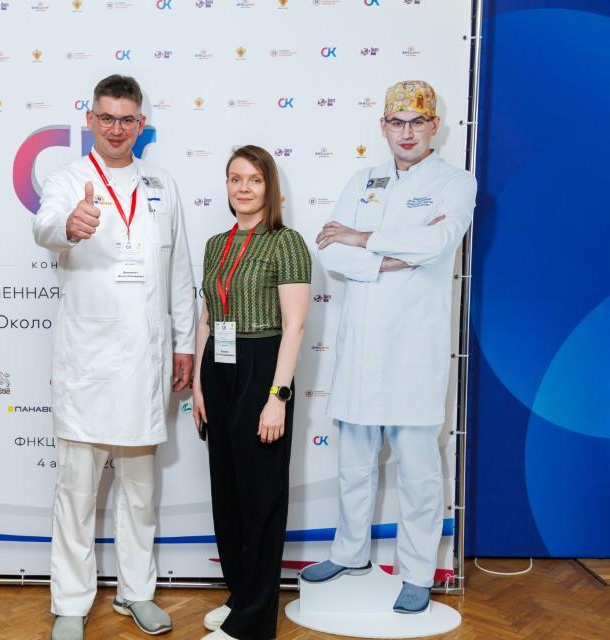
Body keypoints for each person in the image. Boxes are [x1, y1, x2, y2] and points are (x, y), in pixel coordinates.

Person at [300, 80, 477, 614]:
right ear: (383, 125)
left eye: (417, 122)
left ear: (434, 126)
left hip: (414, 351)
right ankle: (349, 553)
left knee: (419, 470)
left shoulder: (456, 182)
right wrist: (396, 258)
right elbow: (331, 253)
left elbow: (437, 243)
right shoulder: (364, 180)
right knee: (354, 464)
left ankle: (417, 571)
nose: (407, 132)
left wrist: (363, 239)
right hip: (360, 347)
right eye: (397, 122)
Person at [32, 75, 196, 640]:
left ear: (141, 123)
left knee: (140, 492)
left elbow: (179, 270)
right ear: (91, 120)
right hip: (87, 361)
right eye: (107, 118)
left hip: (145, 360)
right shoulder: (67, 179)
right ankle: (70, 603)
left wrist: (184, 343)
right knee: (76, 492)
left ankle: (136, 593)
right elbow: (45, 226)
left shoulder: (161, 184)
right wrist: (68, 226)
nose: (117, 129)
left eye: (127, 119)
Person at [192, 146, 311, 640]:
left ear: (269, 187)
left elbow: (295, 326)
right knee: (228, 491)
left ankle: (254, 623)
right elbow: (206, 316)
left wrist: (277, 396)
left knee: (261, 495)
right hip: (218, 370)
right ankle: (241, 596)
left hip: (263, 367)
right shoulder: (216, 244)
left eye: (255, 179)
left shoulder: (286, 242)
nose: (244, 188)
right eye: (235, 178)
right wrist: (199, 385)